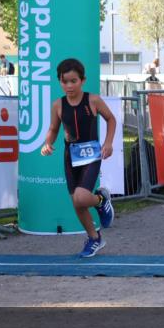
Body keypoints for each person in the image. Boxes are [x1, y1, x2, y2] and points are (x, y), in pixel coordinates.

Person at [40, 58, 117, 258]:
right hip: (71, 156)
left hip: (91, 154)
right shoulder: (58, 104)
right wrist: (47, 143)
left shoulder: (93, 100)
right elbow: (53, 129)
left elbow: (111, 119)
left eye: (73, 81)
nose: (69, 85)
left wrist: (108, 143)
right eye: (65, 81)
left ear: (82, 80)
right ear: (60, 81)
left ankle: (101, 200)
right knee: (76, 202)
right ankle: (94, 238)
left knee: (83, 197)